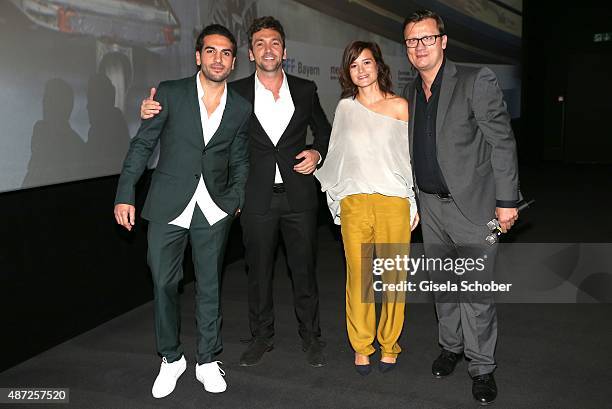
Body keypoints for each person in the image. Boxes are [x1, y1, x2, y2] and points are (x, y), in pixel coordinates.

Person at [140, 16, 331, 368]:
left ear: (284, 51)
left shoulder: (306, 89)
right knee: (257, 274)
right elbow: (199, 122)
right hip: (253, 197)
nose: (268, 49)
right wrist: (154, 108)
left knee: (303, 271)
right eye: (260, 44)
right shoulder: (235, 92)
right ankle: (262, 338)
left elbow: (324, 131)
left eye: (274, 43)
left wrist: (318, 152)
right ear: (250, 53)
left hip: (299, 197)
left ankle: (311, 338)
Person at [114, 24, 251, 397]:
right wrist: (126, 192)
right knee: (163, 282)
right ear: (197, 56)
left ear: (233, 61)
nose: (217, 58)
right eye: (210, 51)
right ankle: (171, 358)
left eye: (225, 53)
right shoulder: (170, 93)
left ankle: (207, 359)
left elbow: (240, 158)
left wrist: (235, 198)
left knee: (209, 287)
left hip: (214, 208)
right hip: (167, 205)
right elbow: (143, 145)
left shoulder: (240, 107)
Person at [402, 9, 520, 404]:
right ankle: (450, 347)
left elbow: (502, 142)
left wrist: (506, 203)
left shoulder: (475, 80)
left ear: (443, 41)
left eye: (426, 38)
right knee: (442, 287)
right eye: (412, 41)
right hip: (431, 209)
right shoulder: (412, 91)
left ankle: (482, 366)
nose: (419, 47)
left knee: (475, 291)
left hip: (475, 209)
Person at [315, 41, 419, 375]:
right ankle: (362, 346)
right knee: (358, 280)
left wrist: (413, 200)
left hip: (393, 203)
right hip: (356, 204)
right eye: (354, 65)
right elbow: (337, 159)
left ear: (378, 66)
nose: (361, 70)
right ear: (347, 72)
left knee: (393, 279)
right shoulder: (345, 108)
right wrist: (338, 201)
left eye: (367, 62)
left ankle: (390, 344)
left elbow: (410, 161)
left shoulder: (401, 106)